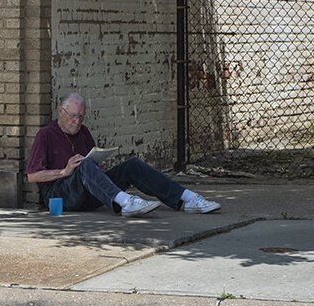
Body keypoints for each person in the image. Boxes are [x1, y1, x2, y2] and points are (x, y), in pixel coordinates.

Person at [26, 92, 221, 217]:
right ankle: (126, 203)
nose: (77, 121)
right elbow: (32, 175)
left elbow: (92, 165)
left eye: (81, 116)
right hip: (61, 195)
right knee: (84, 165)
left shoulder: (83, 132)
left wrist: (97, 166)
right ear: (60, 111)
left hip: (88, 194)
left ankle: (186, 199)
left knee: (132, 165)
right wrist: (64, 172)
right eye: (73, 116)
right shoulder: (46, 135)